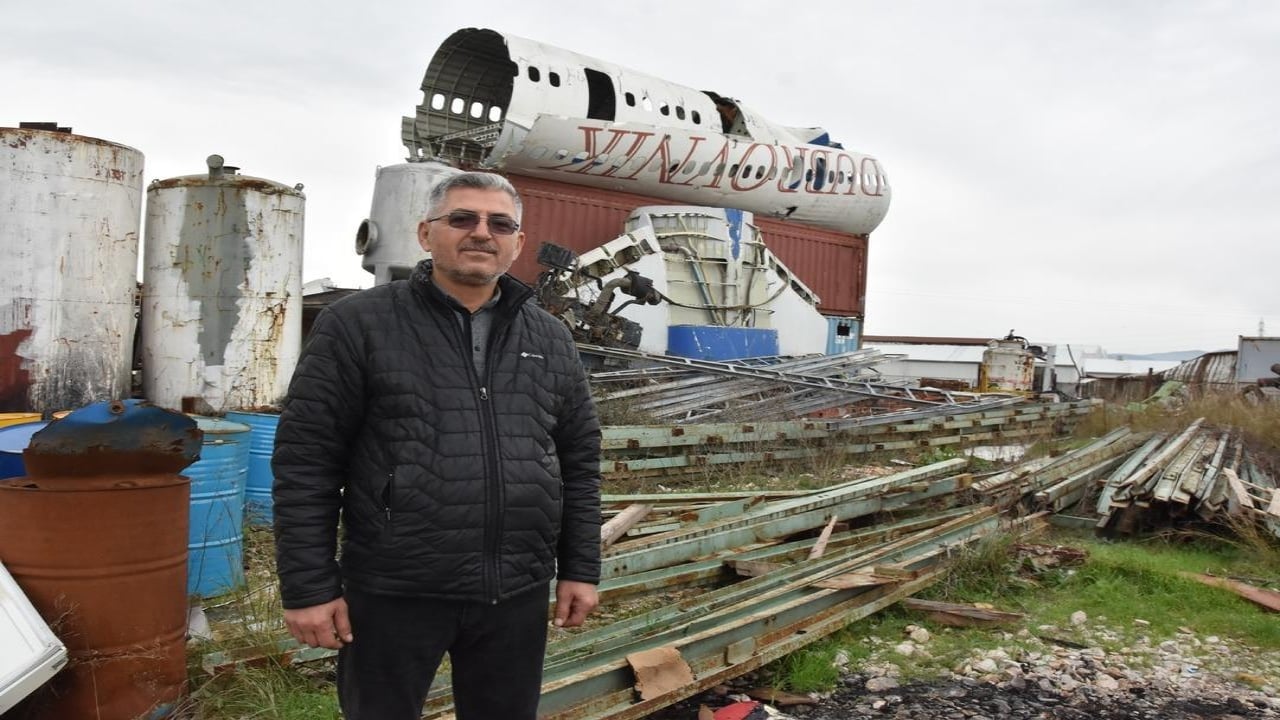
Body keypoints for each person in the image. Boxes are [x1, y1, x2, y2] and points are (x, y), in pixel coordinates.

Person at [272, 171, 602, 720]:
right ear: (426, 234)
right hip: (394, 590)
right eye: (462, 219)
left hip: (515, 591)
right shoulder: (358, 325)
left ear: (517, 244)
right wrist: (308, 587)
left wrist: (580, 568)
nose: (481, 233)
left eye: (500, 224)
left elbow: (580, 461)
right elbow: (307, 463)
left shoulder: (549, 338)